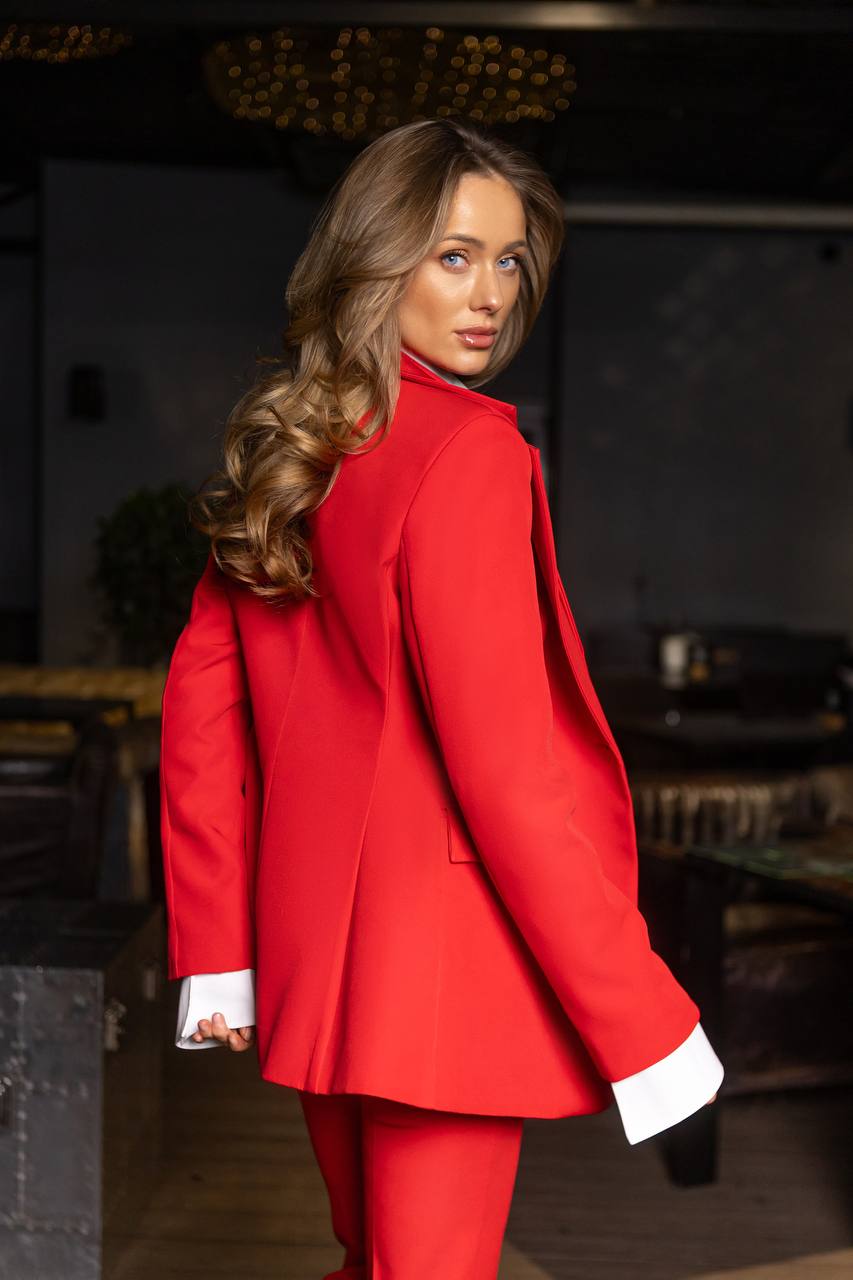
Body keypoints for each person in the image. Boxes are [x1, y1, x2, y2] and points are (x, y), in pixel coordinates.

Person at [160, 116, 723, 1279]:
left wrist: (221, 949)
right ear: (376, 257)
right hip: (442, 976)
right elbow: (504, 772)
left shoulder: (300, 444)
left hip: (318, 955)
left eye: (509, 259)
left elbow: (201, 705)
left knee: (376, 1260)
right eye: (452, 254)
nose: (490, 295)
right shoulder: (468, 451)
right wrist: (644, 1020)